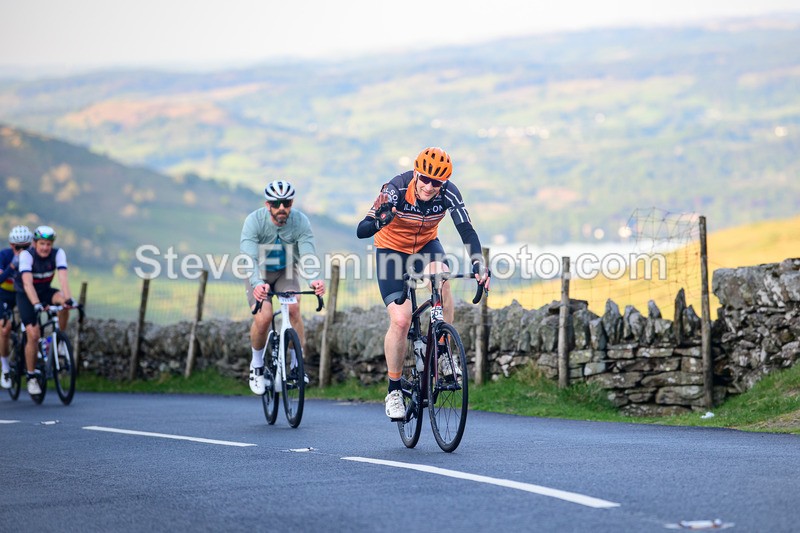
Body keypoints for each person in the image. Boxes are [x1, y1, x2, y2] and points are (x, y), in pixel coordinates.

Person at [356, 147, 490, 420]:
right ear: (416, 174)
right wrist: (380, 221)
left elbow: (466, 230)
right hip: (391, 250)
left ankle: (443, 351)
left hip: (426, 246)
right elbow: (361, 230)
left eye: (436, 182)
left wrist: (479, 264)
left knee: (443, 278)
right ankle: (394, 390)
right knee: (401, 320)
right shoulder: (395, 188)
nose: (429, 187)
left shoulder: (449, 193)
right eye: (425, 179)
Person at [240, 179, 326, 395]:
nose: (281, 208)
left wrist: (314, 279)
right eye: (276, 203)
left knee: (294, 308)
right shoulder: (254, 221)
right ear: (267, 204)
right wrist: (257, 284)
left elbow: (307, 253)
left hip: (285, 271)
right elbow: (248, 257)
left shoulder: (300, 222)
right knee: (264, 317)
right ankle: (257, 366)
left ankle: (297, 365)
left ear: (291, 203)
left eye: (286, 203)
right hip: (258, 272)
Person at [16, 225, 77, 396]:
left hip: (45, 290)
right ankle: (31, 376)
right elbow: (27, 283)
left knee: (64, 304)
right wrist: (36, 304)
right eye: (42, 244)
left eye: (48, 244)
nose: (45, 248)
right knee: (34, 334)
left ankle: (59, 343)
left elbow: (63, 279)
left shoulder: (58, 254)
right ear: (35, 243)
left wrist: (68, 299)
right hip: (26, 295)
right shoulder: (27, 255)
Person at [0, 225, 34, 389]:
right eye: (17, 247)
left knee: (32, 327)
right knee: (4, 329)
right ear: (11, 245)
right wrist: (12, 266)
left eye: (25, 247)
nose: (21, 251)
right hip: (4, 294)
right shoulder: (4, 255)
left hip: (22, 294)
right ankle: (5, 368)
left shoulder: (33, 257)